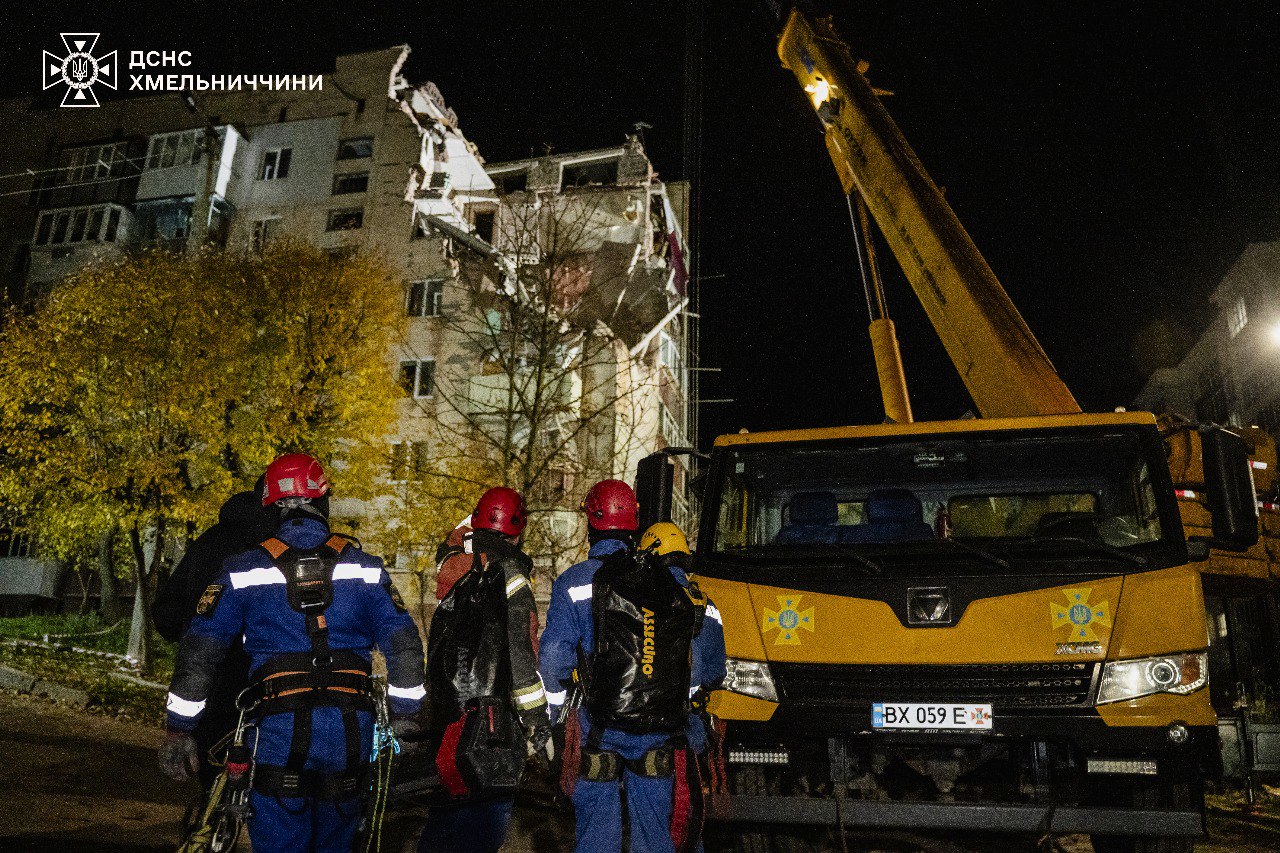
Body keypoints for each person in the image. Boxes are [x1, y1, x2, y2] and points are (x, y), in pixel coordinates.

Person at [160, 452, 426, 853]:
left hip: (277, 731)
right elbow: (404, 645)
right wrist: (406, 719)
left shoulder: (243, 569)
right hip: (349, 734)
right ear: (323, 500)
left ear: (271, 506)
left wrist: (180, 728)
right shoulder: (366, 569)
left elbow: (199, 654)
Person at [539, 481, 726, 853]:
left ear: (590, 522)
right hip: (657, 729)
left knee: (596, 834)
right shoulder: (669, 581)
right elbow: (697, 660)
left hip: (599, 728)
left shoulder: (574, 582)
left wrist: (556, 713)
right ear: (635, 523)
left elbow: (553, 657)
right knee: (655, 834)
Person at [418, 486, 554, 853]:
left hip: (448, 714)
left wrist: (469, 526)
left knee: (447, 809)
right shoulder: (513, 575)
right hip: (493, 723)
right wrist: (536, 719)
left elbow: (451, 542)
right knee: (486, 820)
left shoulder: (452, 566)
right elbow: (522, 654)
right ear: (517, 532)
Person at [153, 480, 276, 792]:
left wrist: (187, 630)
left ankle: (215, 806)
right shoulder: (280, 548)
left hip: (210, 679)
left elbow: (166, 613)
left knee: (213, 768)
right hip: (265, 680)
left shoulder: (209, 541)